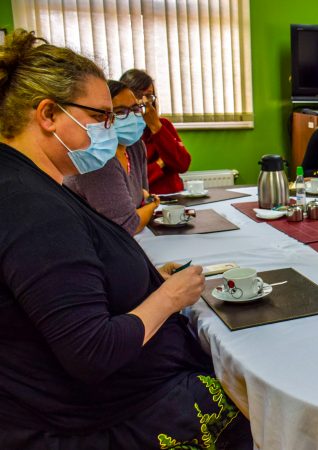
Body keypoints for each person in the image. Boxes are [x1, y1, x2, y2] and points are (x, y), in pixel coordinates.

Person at [0, 30, 251, 448]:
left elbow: (60, 286)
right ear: (48, 114)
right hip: (105, 418)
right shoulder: (29, 204)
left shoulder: (33, 183)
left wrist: (144, 276)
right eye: (100, 117)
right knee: (256, 404)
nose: (109, 130)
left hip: (105, 399)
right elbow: (90, 350)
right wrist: (169, 296)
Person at [64, 80, 158, 235]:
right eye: (120, 112)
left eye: (135, 109)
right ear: (104, 116)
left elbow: (142, 198)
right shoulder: (98, 157)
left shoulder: (135, 147)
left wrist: (144, 204)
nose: (132, 117)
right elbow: (128, 226)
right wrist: (153, 205)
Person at [120, 68, 191, 194]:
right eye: (138, 95)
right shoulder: (122, 131)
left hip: (174, 195)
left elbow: (182, 164)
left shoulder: (164, 125)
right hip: (145, 200)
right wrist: (160, 164)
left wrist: (155, 126)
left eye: (148, 96)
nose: (144, 102)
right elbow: (132, 180)